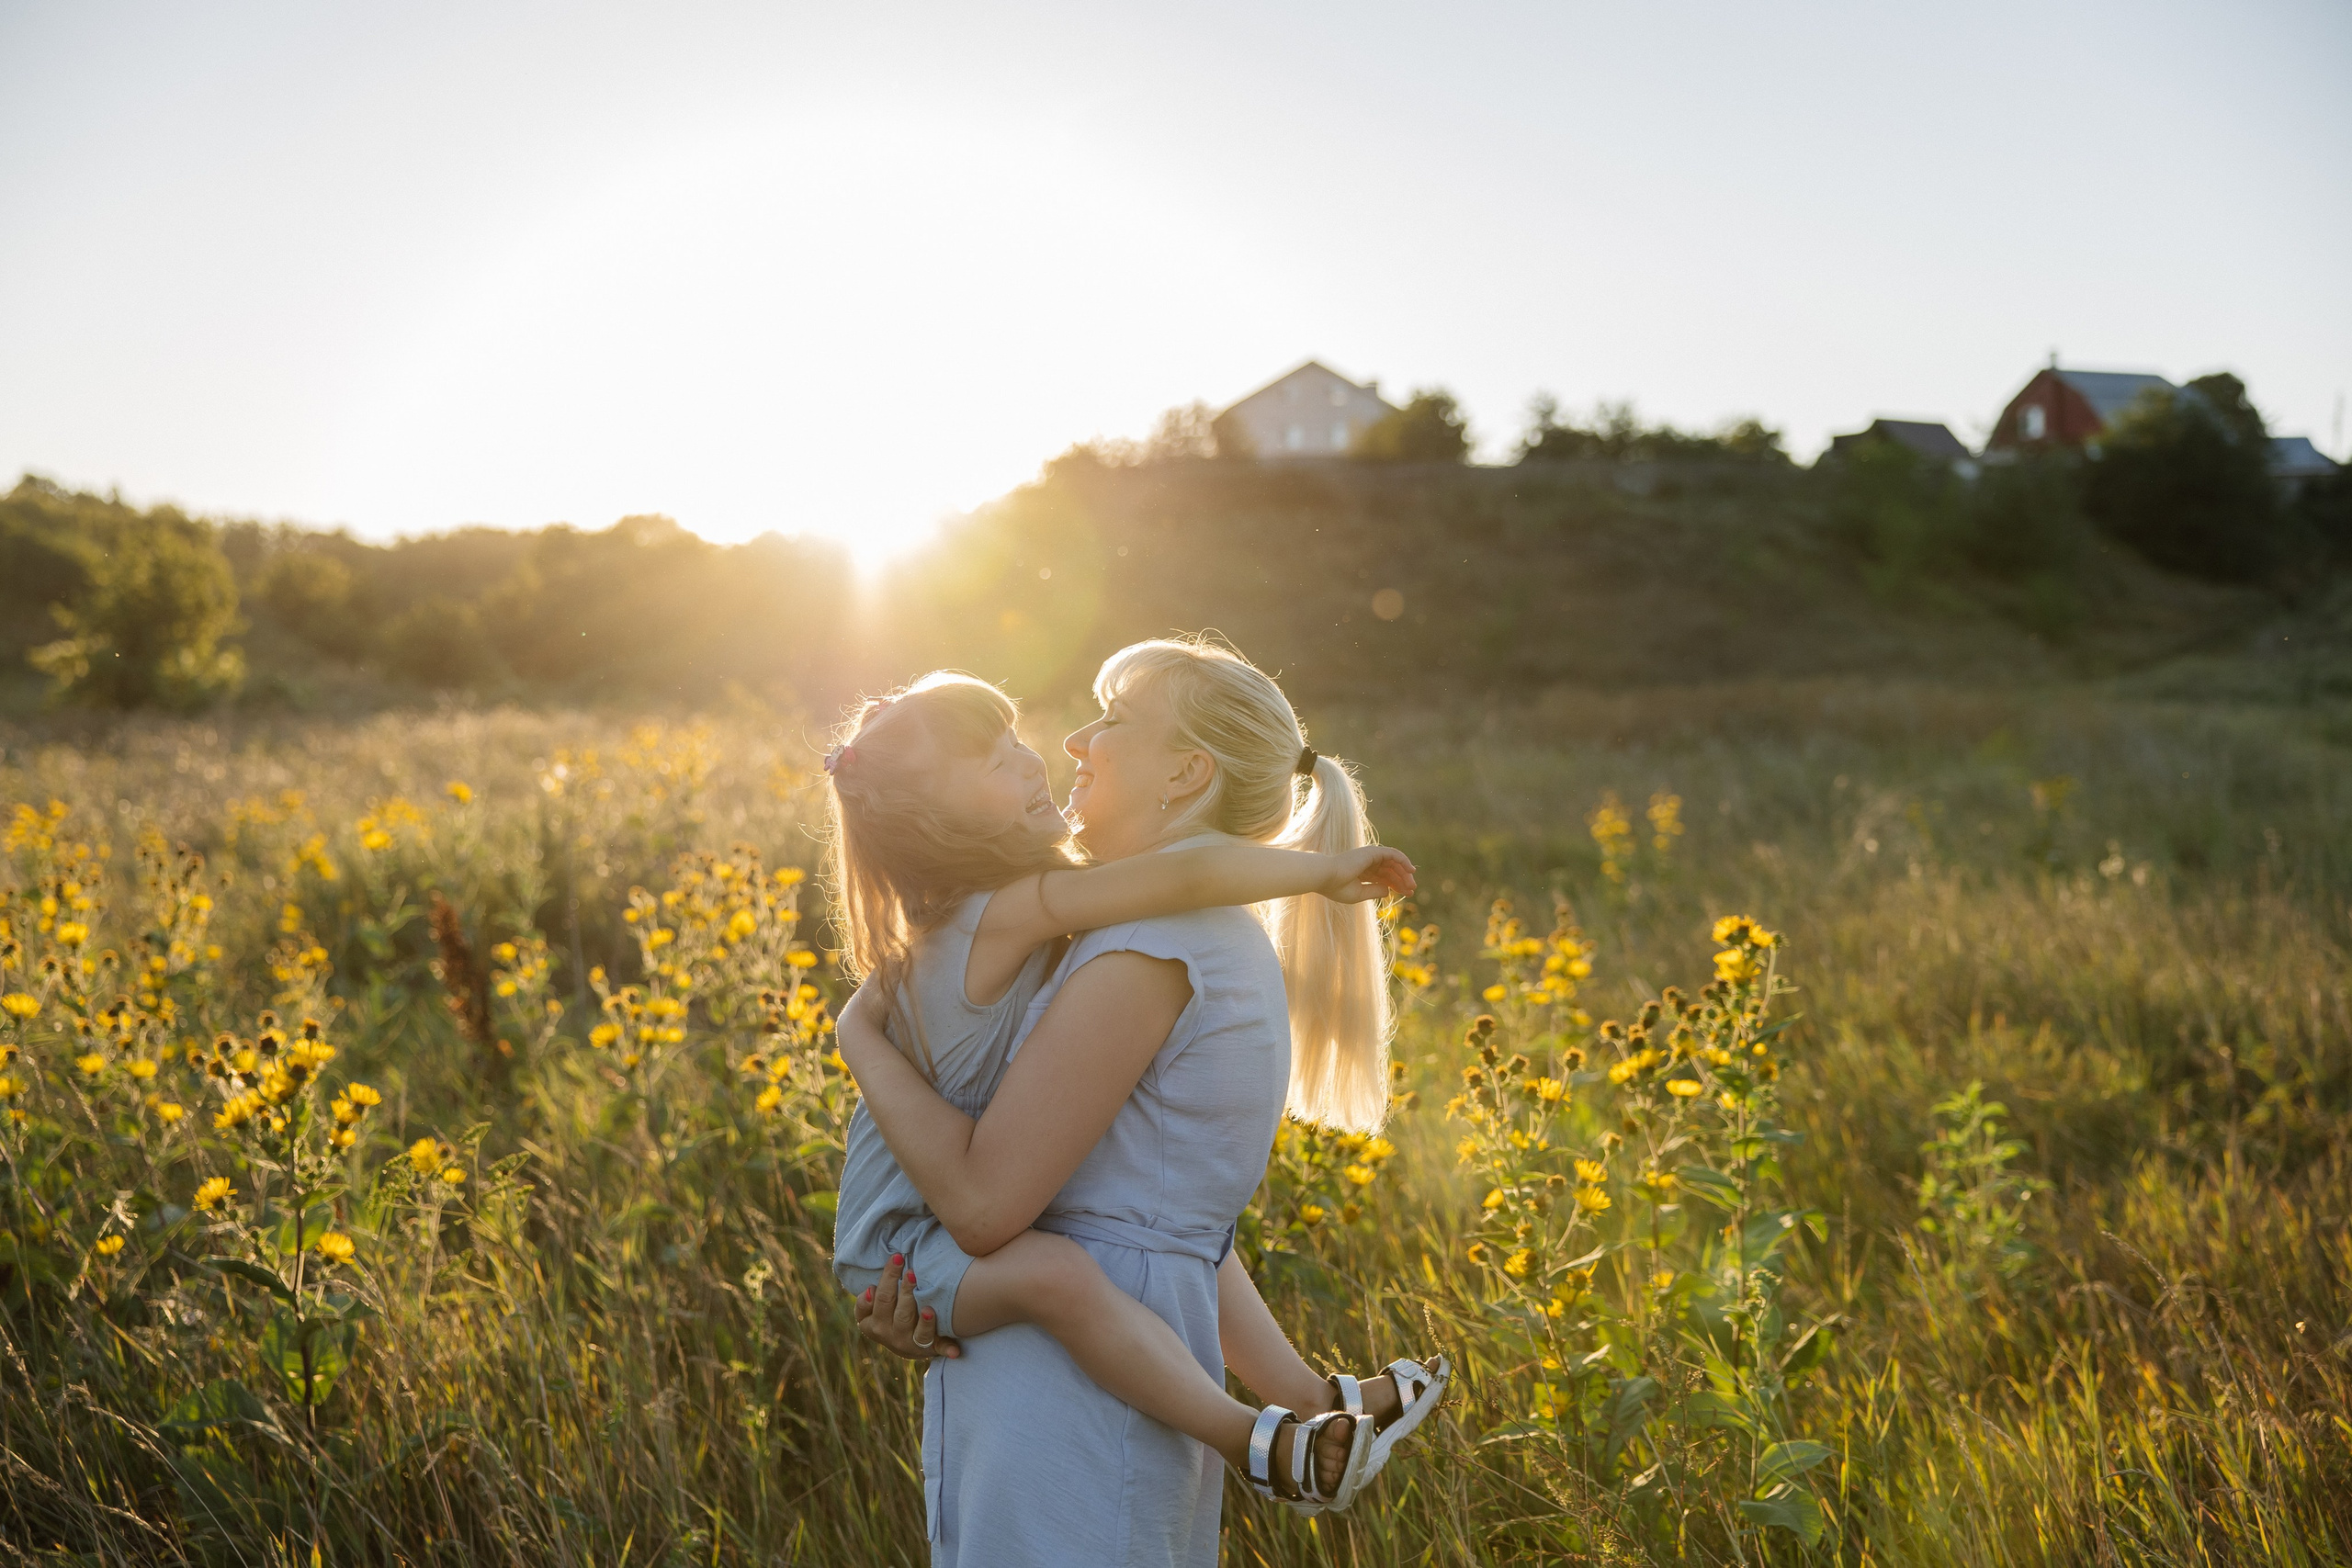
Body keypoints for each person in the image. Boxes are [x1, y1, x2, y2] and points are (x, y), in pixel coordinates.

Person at [836, 640, 1448, 1562]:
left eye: (1113, 719)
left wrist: (859, 1044)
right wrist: (1302, 1394)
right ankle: (1294, 1421)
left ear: (1185, 772)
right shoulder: (1120, 932)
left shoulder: (1145, 945)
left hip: (1074, 1410)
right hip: (1092, 1372)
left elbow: (996, 1210)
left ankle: (1267, 1433)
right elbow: (1168, 1224)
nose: (1074, 740)